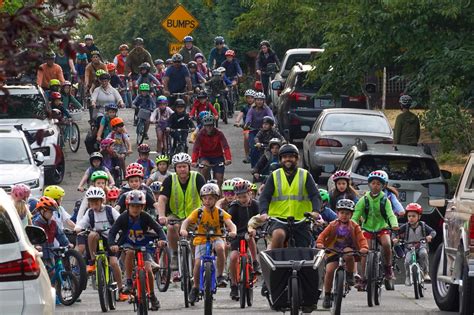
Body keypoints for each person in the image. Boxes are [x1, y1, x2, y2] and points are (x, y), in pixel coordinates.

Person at [109, 190, 167, 310]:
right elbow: (113, 231)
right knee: (129, 252)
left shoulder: (145, 217)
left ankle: (151, 295)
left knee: (148, 269)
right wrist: (112, 244)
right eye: (133, 206)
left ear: (143, 207)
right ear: (128, 206)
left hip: (144, 244)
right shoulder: (123, 217)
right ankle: (129, 281)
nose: (135, 209)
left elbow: (158, 228)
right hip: (128, 243)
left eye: (138, 206)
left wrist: (162, 239)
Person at [180, 183, 237, 302]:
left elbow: (231, 224)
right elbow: (187, 221)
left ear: (216, 199)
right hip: (201, 238)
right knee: (197, 264)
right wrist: (183, 229)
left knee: (221, 248)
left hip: (217, 237)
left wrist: (233, 231)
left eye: (210, 198)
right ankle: (195, 287)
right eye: (205, 198)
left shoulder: (220, 212)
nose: (207, 201)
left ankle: (220, 275)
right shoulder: (199, 212)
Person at [258, 144, 321, 249]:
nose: (288, 159)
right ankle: (275, 262)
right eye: (285, 157)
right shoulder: (274, 175)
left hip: (301, 220)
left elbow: (315, 195)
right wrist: (264, 213)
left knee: (304, 250)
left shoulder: (305, 175)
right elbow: (264, 197)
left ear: (297, 159)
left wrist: (315, 211)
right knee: (279, 235)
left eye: (291, 157)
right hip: (278, 219)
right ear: (280, 159)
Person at [74, 187, 128, 301]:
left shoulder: (109, 210)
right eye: (92, 202)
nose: (94, 205)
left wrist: (122, 229)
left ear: (102, 201)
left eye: (97, 202)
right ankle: (93, 261)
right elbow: (82, 223)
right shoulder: (90, 213)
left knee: (113, 263)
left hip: (111, 240)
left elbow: (120, 220)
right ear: (89, 203)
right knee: (92, 234)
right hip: (97, 241)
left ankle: (121, 289)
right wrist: (78, 228)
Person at [157, 153, 206, 278]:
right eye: (179, 167)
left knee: (197, 239)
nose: (182, 169)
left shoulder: (198, 178)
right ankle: (174, 253)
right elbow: (162, 199)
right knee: (172, 227)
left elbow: (206, 197)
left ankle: (197, 268)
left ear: (189, 167)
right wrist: (162, 215)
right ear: (175, 168)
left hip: (195, 215)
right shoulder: (170, 180)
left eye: (184, 166)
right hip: (175, 214)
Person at [316, 199, 369, 309]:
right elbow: (322, 235)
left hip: (347, 248)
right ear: (337, 213)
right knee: (329, 270)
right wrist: (320, 243)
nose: (344, 216)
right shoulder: (332, 225)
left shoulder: (355, 226)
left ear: (352, 214)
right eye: (342, 213)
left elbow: (361, 239)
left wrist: (364, 247)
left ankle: (350, 275)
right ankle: (327, 295)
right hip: (333, 250)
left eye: (347, 213)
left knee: (348, 254)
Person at [352, 170, 399, 287]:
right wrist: (352, 225)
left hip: (382, 228)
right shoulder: (364, 199)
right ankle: (363, 277)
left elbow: (390, 214)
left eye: (378, 184)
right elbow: (356, 214)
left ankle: (388, 268)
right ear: (369, 184)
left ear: (383, 186)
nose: (375, 186)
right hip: (367, 228)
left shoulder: (385, 200)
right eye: (373, 183)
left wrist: (394, 224)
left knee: (387, 244)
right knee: (364, 252)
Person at [227, 180, 261, 299]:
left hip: (251, 233)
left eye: (245, 196)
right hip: (237, 235)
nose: (243, 199)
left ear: (250, 193)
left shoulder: (256, 205)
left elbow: (262, 219)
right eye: (240, 197)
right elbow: (228, 221)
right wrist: (230, 232)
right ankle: (234, 285)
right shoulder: (234, 207)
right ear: (236, 196)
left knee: (249, 237)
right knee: (233, 257)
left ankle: (255, 262)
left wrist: (259, 230)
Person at [393, 203, 436, 284]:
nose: (411, 218)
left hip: (421, 246)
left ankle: (426, 273)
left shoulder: (422, 225)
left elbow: (433, 231)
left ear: (419, 217)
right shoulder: (405, 227)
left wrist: (430, 236)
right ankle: (408, 276)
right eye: (409, 216)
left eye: (413, 216)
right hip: (409, 248)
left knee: (423, 254)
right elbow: (395, 232)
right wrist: (394, 238)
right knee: (407, 261)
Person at [191, 115, 232, 188]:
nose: (209, 128)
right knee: (204, 168)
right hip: (205, 157)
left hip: (218, 157)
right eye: (207, 126)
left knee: (219, 179)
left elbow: (225, 147)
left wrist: (228, 159)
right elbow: (196, 148)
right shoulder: (200, 134)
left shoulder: (219, 134)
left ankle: (219, 195)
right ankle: (203, 188)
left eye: (210, 125)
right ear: (204, 126)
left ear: (213, 125)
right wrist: (194, 161)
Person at [32, 196, 72, 266]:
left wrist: (67, 243)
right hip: (40, 256)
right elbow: (32, 238)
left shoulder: (53, 223)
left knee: (55, 271)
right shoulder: (36, 223)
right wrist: (36, 246)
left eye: (52, 212)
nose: (52, 214)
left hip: (51, 255)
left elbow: (60, 235)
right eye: (50, 212)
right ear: (42, 211)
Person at [245, 92, 275, 167]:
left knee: (268, 147)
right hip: (253, 131)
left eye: (261, 100)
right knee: (253, 148)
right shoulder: (252, 109)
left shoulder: (266, 109)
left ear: (264, 101)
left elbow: (271, 117)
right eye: (257, 100)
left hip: (264, 131)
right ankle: (254, 167)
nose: (259, 102)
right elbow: (248, 117)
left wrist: (273, 124)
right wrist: (247, 124)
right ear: (255, 101)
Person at [235, 89, 255, 163]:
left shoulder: (258, 106)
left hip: (257, 127)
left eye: (251, 97)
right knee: (246, 137)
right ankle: (247, 155)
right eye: (248, 98)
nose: (250, 99)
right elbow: (240, 115)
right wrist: (237, 122)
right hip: (247, 127)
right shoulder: (245, 107)